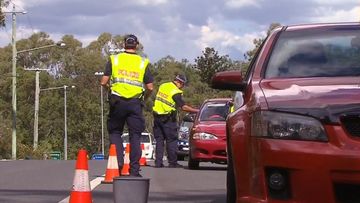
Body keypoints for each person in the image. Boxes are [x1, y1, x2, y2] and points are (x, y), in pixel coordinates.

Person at [100, 34, 154, 177]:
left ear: (124, 45)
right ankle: (134, 170)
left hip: (117, 101)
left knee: (115, 132)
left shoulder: (114, 59)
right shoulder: (143, 62)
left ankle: (118, 163)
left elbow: (103, 82)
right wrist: (144, 98)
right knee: (135, 136)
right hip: (135, 103)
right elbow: (150, 87)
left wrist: (110, 91)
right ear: (136, 45)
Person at [152, 74, 199, 168]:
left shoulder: (163, 85)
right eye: (183, 85)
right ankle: (172, 162)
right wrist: (198, 110)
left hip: (157, 117)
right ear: (180, 82)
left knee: (159, 140)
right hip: (168, 119)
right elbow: (184, 107)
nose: (183, 87)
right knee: (171, 140)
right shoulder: (175, 91)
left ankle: (158, 163)